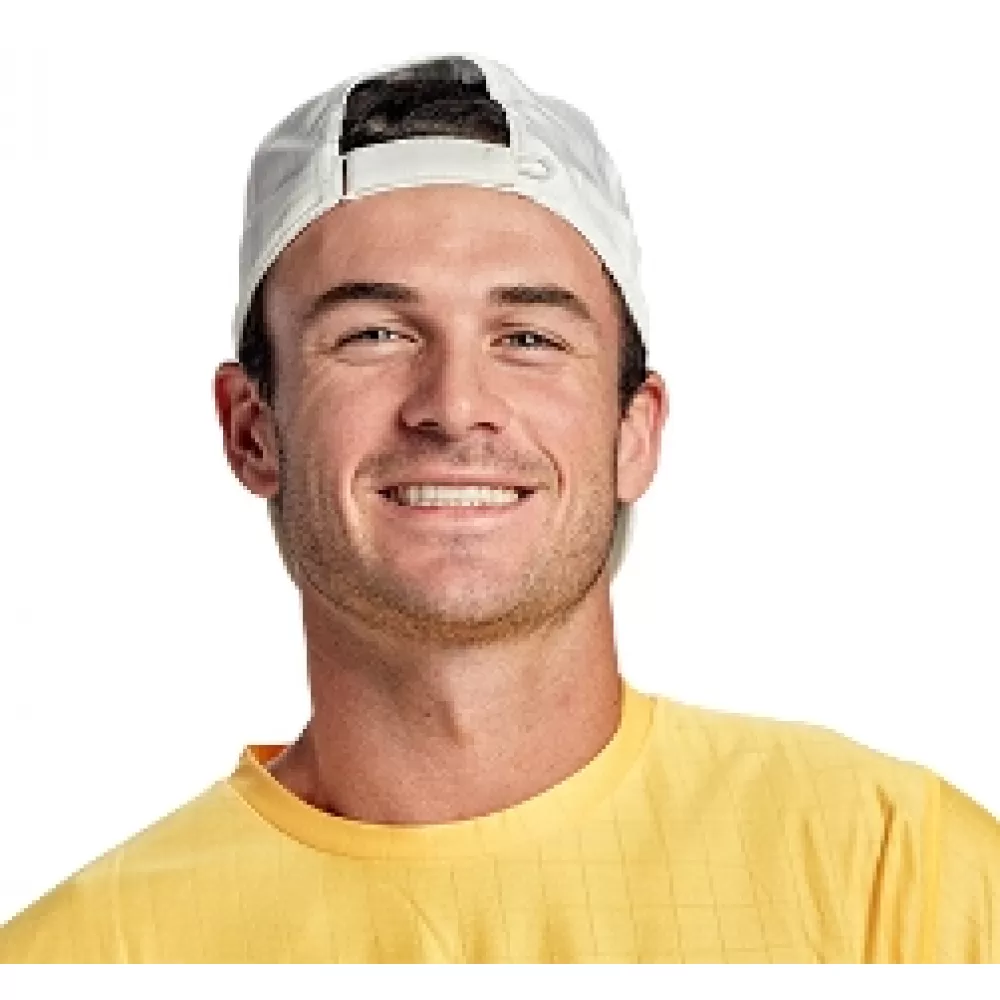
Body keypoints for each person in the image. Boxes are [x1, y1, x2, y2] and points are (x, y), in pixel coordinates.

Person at [1, 53, 997, 965]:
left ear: (634, 432)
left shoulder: (894, 875)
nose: (454, 405)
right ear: (251, 429)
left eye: (528, 338)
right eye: (375, 333)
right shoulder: (87, 957)